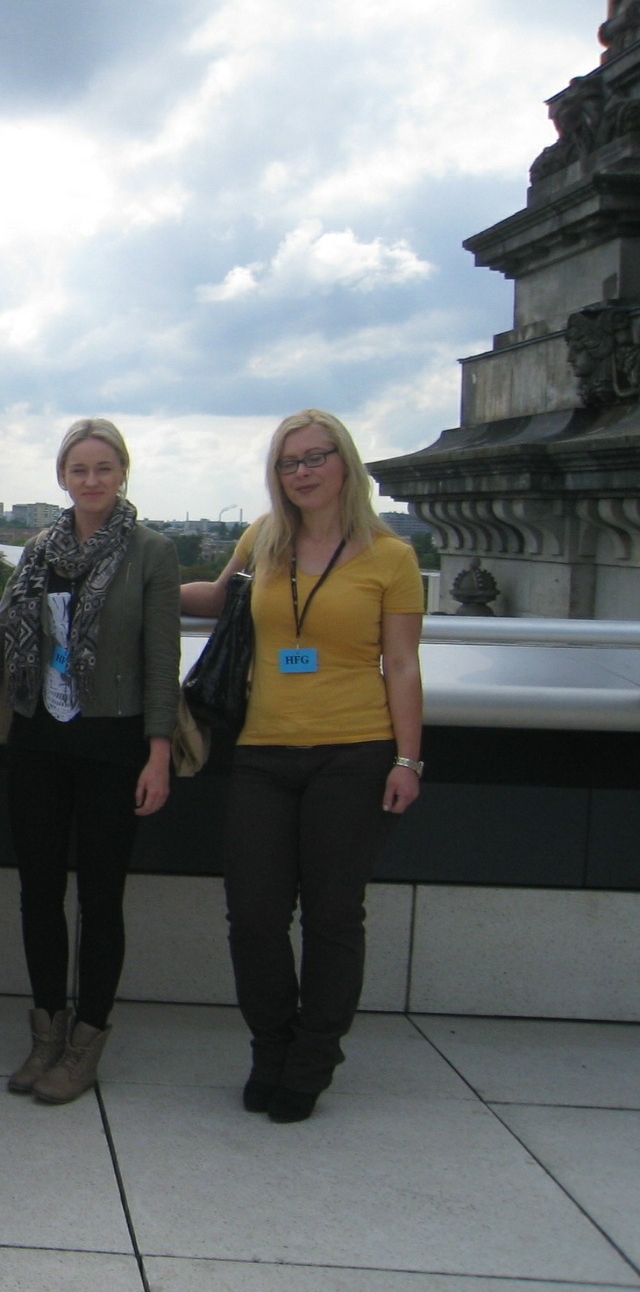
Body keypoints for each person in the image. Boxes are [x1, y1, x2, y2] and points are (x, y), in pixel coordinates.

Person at [181, 408, 424, 1124]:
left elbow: (403, 663)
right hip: (262, 749)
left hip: (355, 750)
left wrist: (409, 758)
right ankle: (270, 1045)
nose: (304, 472)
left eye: (317, 457)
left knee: (332, 915)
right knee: (253, 915)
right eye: (290, 462)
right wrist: (130, 579)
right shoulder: (266, 539)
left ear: (346, 463)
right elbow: (218, 599)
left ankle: (313, 1059)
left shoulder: (390, 555)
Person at [0, 419, 180, 1105]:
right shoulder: (38, 552)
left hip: (113, 747)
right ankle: (46, 1030)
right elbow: (0, 635)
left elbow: (160, 661)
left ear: (122, 473)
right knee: (39, 893)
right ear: (62, 476)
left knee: (102, 898)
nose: (91, 479)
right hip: (38, 742)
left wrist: (159, 753)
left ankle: (87, 1039)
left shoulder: (151, 553)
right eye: (79, 468)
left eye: (103, 467)